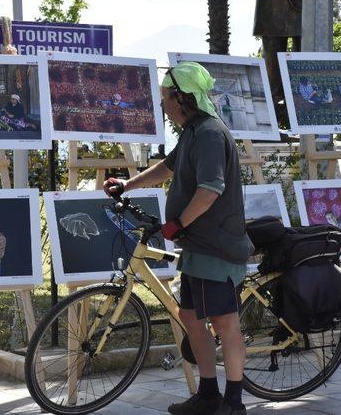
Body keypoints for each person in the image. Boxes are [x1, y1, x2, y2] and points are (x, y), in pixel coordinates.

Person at [104, 62, 252, 415]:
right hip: (198, 247)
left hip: (215, 246)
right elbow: (168, 167)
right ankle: (208, 393)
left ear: (181, 98)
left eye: (165, 97)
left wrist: (178, 224)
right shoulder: (192, 131)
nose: (162, 105)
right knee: (191, 317)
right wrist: (128, 184)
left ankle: (233, 402)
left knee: (225, 322)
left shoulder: (211, 134)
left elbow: (210, 190)